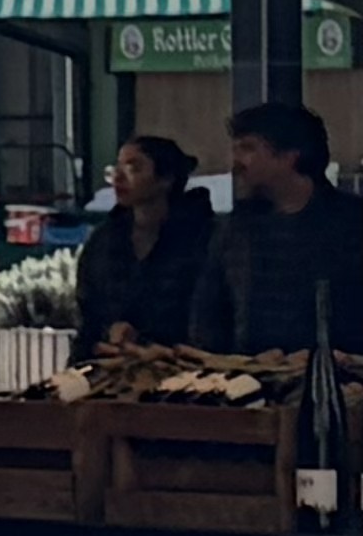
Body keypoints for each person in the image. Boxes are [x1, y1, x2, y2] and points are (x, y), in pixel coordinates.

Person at [203, 96, 363, 354]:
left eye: (248, 148)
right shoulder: (236, 228)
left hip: (337, 380)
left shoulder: (351, 223)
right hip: (248, 380)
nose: (236, 163)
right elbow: (211, 311)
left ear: (290, 156)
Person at [81, 134, 216, 358]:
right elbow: (90, 309)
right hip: (112, 363)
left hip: (180, 364)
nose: (119, 177)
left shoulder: (202, 236)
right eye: (116, 169)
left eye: (134, 168)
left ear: (165, 179)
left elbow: (206, 313)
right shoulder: (105, 239)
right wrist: (109, 331)